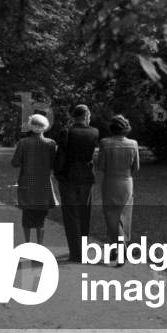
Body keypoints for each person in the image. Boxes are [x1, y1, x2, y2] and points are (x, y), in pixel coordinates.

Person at [54, 104, 100, 262]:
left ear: (74, 116)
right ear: (86, 115)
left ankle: (76, 253)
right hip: (87, 176)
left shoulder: (66, 132)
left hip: (68, 177)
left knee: (71, 215)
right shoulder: (94, 132)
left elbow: (60, 155)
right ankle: (84, 249)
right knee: (84, 213)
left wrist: (58, 173)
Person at [95, 114, 139, 267]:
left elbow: (101, 166)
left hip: (110, 182)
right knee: (124, 217)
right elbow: (136, 167)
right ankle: (117, 247)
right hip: (127, 182)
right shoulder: (133, 144)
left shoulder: (105, 143)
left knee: (111, 216)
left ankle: (121, 249)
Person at [10, 114, 57, 244]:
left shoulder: (23, 143)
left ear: (31, 126)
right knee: (41, 219)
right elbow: (54, 164)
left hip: (27, 184)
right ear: (45, 126)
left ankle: (27, 243)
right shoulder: (51, 144)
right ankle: (39, 245)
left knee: (27, 217)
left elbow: (15, 163)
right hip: (43, 184)